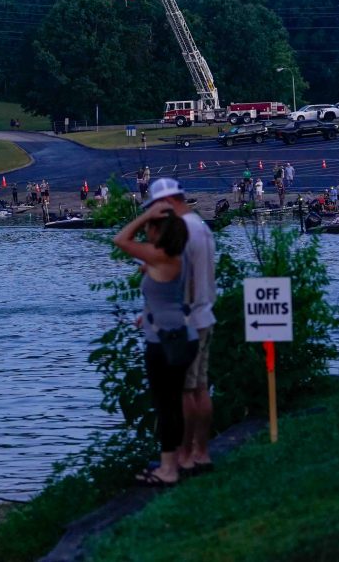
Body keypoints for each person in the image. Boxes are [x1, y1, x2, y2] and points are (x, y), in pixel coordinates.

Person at [113, 190, 198, 486]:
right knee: (173, 402)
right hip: (181, 334)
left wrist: (146, 215)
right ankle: (177, 460)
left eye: (150, 227)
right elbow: (176, 294)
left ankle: (168, 470)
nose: (146, 231)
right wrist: (150, 311)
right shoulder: (179, 256)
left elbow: (121, 240)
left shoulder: (161, 256)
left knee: (166, 405)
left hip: (164, 342)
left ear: (157, 231)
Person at [144, 179, 218, 476]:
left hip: (186, 321)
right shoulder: (201, 225)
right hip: (205, 314)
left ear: (167, 202)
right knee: (200, 387)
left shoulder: (182, 230)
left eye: (155, 207)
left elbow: (182, 278)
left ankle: (184, 457)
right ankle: (202, 452)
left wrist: (168, 311)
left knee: (184, 393)